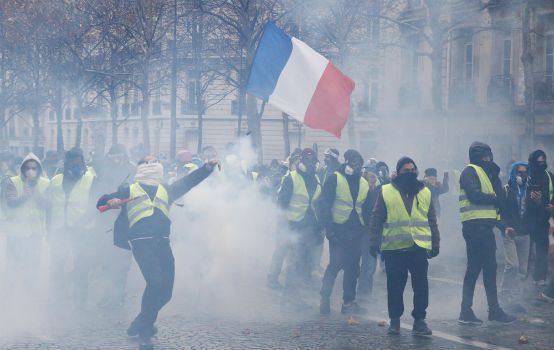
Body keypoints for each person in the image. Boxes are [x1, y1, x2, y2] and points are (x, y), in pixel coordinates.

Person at [97, 155, 219, 349]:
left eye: (155, 160)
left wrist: (206, 168)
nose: (153, 162)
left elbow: (188, 182)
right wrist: (110, 201)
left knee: (166, 291)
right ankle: (142, 326)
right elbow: (101, 202)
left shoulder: (166, 190)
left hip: (162, 242)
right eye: (148, 160)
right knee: (155, 282)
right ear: (141, 166)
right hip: (141, 242)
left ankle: (143, 321)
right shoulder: (129, 189)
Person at [369, 157, 439, 336]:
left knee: (421, 286)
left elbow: (431, 219)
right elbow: (376, 218)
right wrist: (374, 241)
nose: (410, 173)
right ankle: (395, 321)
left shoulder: (425, 192)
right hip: (394, 248)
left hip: (418, 247)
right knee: (395, 287)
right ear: (398, 172)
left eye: (412, 170)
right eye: (405, 170)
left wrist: (435, 242)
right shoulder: (386, 191)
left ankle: (420, 320)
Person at [458, 142, 515, 325]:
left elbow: (494, 208)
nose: (488, 160)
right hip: (475, 228)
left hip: (485, 227)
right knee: (476, 269)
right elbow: (475, 195)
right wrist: (496, 197)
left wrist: (503, 225)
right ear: (476, 157)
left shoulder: (488, 174)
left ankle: (492, 310)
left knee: (489, 269)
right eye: (485, 157)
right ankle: (467, 311)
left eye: (489, 156)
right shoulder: (470, 171)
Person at [318, 149, 371, 315]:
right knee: (335, 265)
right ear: (346, 162)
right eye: (353, 162)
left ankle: (348, 301)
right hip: (339, 230)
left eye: (359, 164)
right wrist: (328, 228)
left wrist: (368, 230)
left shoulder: (363, 183)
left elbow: (367, 208)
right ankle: (324, 298)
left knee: (353, 267)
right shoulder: (335, 178)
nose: (356, 166)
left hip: (357, 231)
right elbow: (324, 205)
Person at [48, 148, 99, 308]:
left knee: (81, 266)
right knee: (57, 264)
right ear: (66, 163)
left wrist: (85, 220)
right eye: (73, 162)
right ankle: (56, 296)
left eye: (79, 161)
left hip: (82, 230)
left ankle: (80, 299)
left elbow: (95, 204)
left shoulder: (91, 179)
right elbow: (50, 205)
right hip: (60, 229)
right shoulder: (55, 180)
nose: (77, 165)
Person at [277, 148, 322, 310]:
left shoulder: (316, 179)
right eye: (307, 160)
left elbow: (317, 204)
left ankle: (291, 298)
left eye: (312, 160)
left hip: (310, 228)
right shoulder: (291, 178)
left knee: (302, 264)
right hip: (294, 227)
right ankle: (289, 300)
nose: (310, 164)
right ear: (301, 161)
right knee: (295, 262)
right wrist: (285, 228)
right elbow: (281, 204)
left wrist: (318, 228)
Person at [3, 153, 50, 295]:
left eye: (34, 168)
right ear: (23, 169)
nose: (31, 171)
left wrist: (36, 195)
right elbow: (11, 202)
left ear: (39, 169)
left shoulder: (45, 183)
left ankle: (29, 291)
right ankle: (9, 291)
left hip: (35, 233)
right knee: (13, 262)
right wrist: (25, 196)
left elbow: (48, 205)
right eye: (28, 168)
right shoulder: (13, 181)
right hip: (16, 232)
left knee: (33, 263)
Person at [500, 161, 530, 310]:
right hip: (509, 233)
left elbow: (533, 212)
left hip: (525, 233)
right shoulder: (506, 190)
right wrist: (505, 227)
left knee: (523, 269)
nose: (522, 175)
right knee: (513, 265)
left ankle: (516, 299)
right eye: (519, 172)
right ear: (513, 173)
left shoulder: (529, 190)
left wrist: (537, 201)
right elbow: (500, 211)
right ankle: (504, 295)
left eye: (525, 172)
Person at [526, 150, 553, 286]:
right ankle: (524, 277)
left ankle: (540, 277)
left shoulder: (549, 176)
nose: (541, 163)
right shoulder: (527, 175)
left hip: (543, 219)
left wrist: (551, 205)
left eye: (543, 160)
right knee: (527, 250)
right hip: (527, 219)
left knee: (542, 249)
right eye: (539, 160)